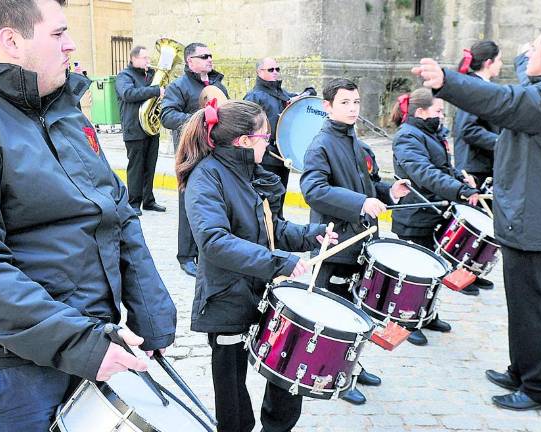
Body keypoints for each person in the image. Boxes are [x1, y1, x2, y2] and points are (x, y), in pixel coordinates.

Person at [0, 1, 177, 430]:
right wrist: (83, 343)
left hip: (88, 341)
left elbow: (116, 213)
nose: (72, 45)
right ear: (11, 40)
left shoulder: (63, 111)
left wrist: (151, 315)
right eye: (59, 33)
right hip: (8, 371)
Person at [413, 22, 541, 411]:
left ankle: (539, 387)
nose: (528, 53)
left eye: (535, 48)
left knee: (535, 305)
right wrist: (528, 56)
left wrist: (448, 81)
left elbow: (504, 101)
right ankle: (522, 369)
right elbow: (522, 84)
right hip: (530, 215)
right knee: (522, 302)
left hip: (534, 220)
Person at [178, 99, 335, 432]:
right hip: (226, 296)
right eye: (265, 136)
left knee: (286, 367)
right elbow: (214, 242)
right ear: (244, 141)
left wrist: (312, 236)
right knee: (232, 395)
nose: (270, 142)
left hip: (259, 291)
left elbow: (270, 228)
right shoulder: (207, 177)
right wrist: (279, 263)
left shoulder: (246, 172)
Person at [300, 78, 411, 405]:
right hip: (335, 245)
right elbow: (314, 191)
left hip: (362, 243)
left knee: (355, 311)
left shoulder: (357, 144)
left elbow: (367, 185)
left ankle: (352, 364)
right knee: (333, 316)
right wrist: (360, 204)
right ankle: (333, 374)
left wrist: (389, 191)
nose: (352, 108)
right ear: (328, 107)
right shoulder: (320, 146)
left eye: (356, 102)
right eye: (345, 102)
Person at [390, 88, 481, 346]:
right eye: (438, 111)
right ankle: (406, 320)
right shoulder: (408, 136)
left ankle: (426, 314)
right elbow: (423, 173)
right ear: (421, 112)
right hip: (415, 212)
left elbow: (441, 168)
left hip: (433, 210)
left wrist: (458, 178)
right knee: (414, 273)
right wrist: (459, 190)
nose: (442, 116)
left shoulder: (429, 133)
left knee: (433, 270)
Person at [160, 42, 228, 277]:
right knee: (188, 203)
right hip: (191, 153)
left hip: (217, 153)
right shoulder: (178, 86)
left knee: (214, 203)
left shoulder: (218, 84)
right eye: (204, 56)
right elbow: (167, 116)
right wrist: (200, 118)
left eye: (211, 55)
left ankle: (210, 250)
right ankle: (186, 256)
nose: (210, 59)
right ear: (190, 61)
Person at [244, 57, 315, 217]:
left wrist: (301, 96)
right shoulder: (254, 97)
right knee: (266, 205)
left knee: (279, 203)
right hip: (266, 158)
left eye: (277, 69)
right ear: (259, 72)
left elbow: (311, 92)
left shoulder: (282, 94)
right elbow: (246, 128)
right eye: (271, 70)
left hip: (282, 158)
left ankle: (278, 235)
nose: (275, 72)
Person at [116, 45, 166, 215]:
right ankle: (134, 203)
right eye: (145, 58)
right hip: (134, 128)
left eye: (148, 58)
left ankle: (149, 200)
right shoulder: (124, 76)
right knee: (136, 167)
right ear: (134, 59)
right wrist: (155, 91)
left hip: (150, 129)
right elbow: (128, 94)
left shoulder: (151, 76)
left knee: (150, 165)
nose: (148, 61)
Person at [453, 40, 503, 190]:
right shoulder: (474, 88)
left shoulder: (477, 86)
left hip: (482, 166)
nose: (501, 64)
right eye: (499, 60)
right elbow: (467, 129)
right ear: (488, 62)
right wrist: (500, 142)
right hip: (476, 169)